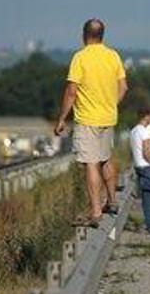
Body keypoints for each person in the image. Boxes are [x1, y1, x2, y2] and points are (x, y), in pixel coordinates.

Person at [54, 18, 128, 228]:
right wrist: (111, 105)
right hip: (108, 117)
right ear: (102, 35)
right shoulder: (113, 56)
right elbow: (123, 87)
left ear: (84, 35)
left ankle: (96, 211)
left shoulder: (80, 57)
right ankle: (112, 201)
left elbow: (71, 91)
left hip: (87, 119)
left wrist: (61, 119)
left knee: (91, 163)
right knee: (105, 159)